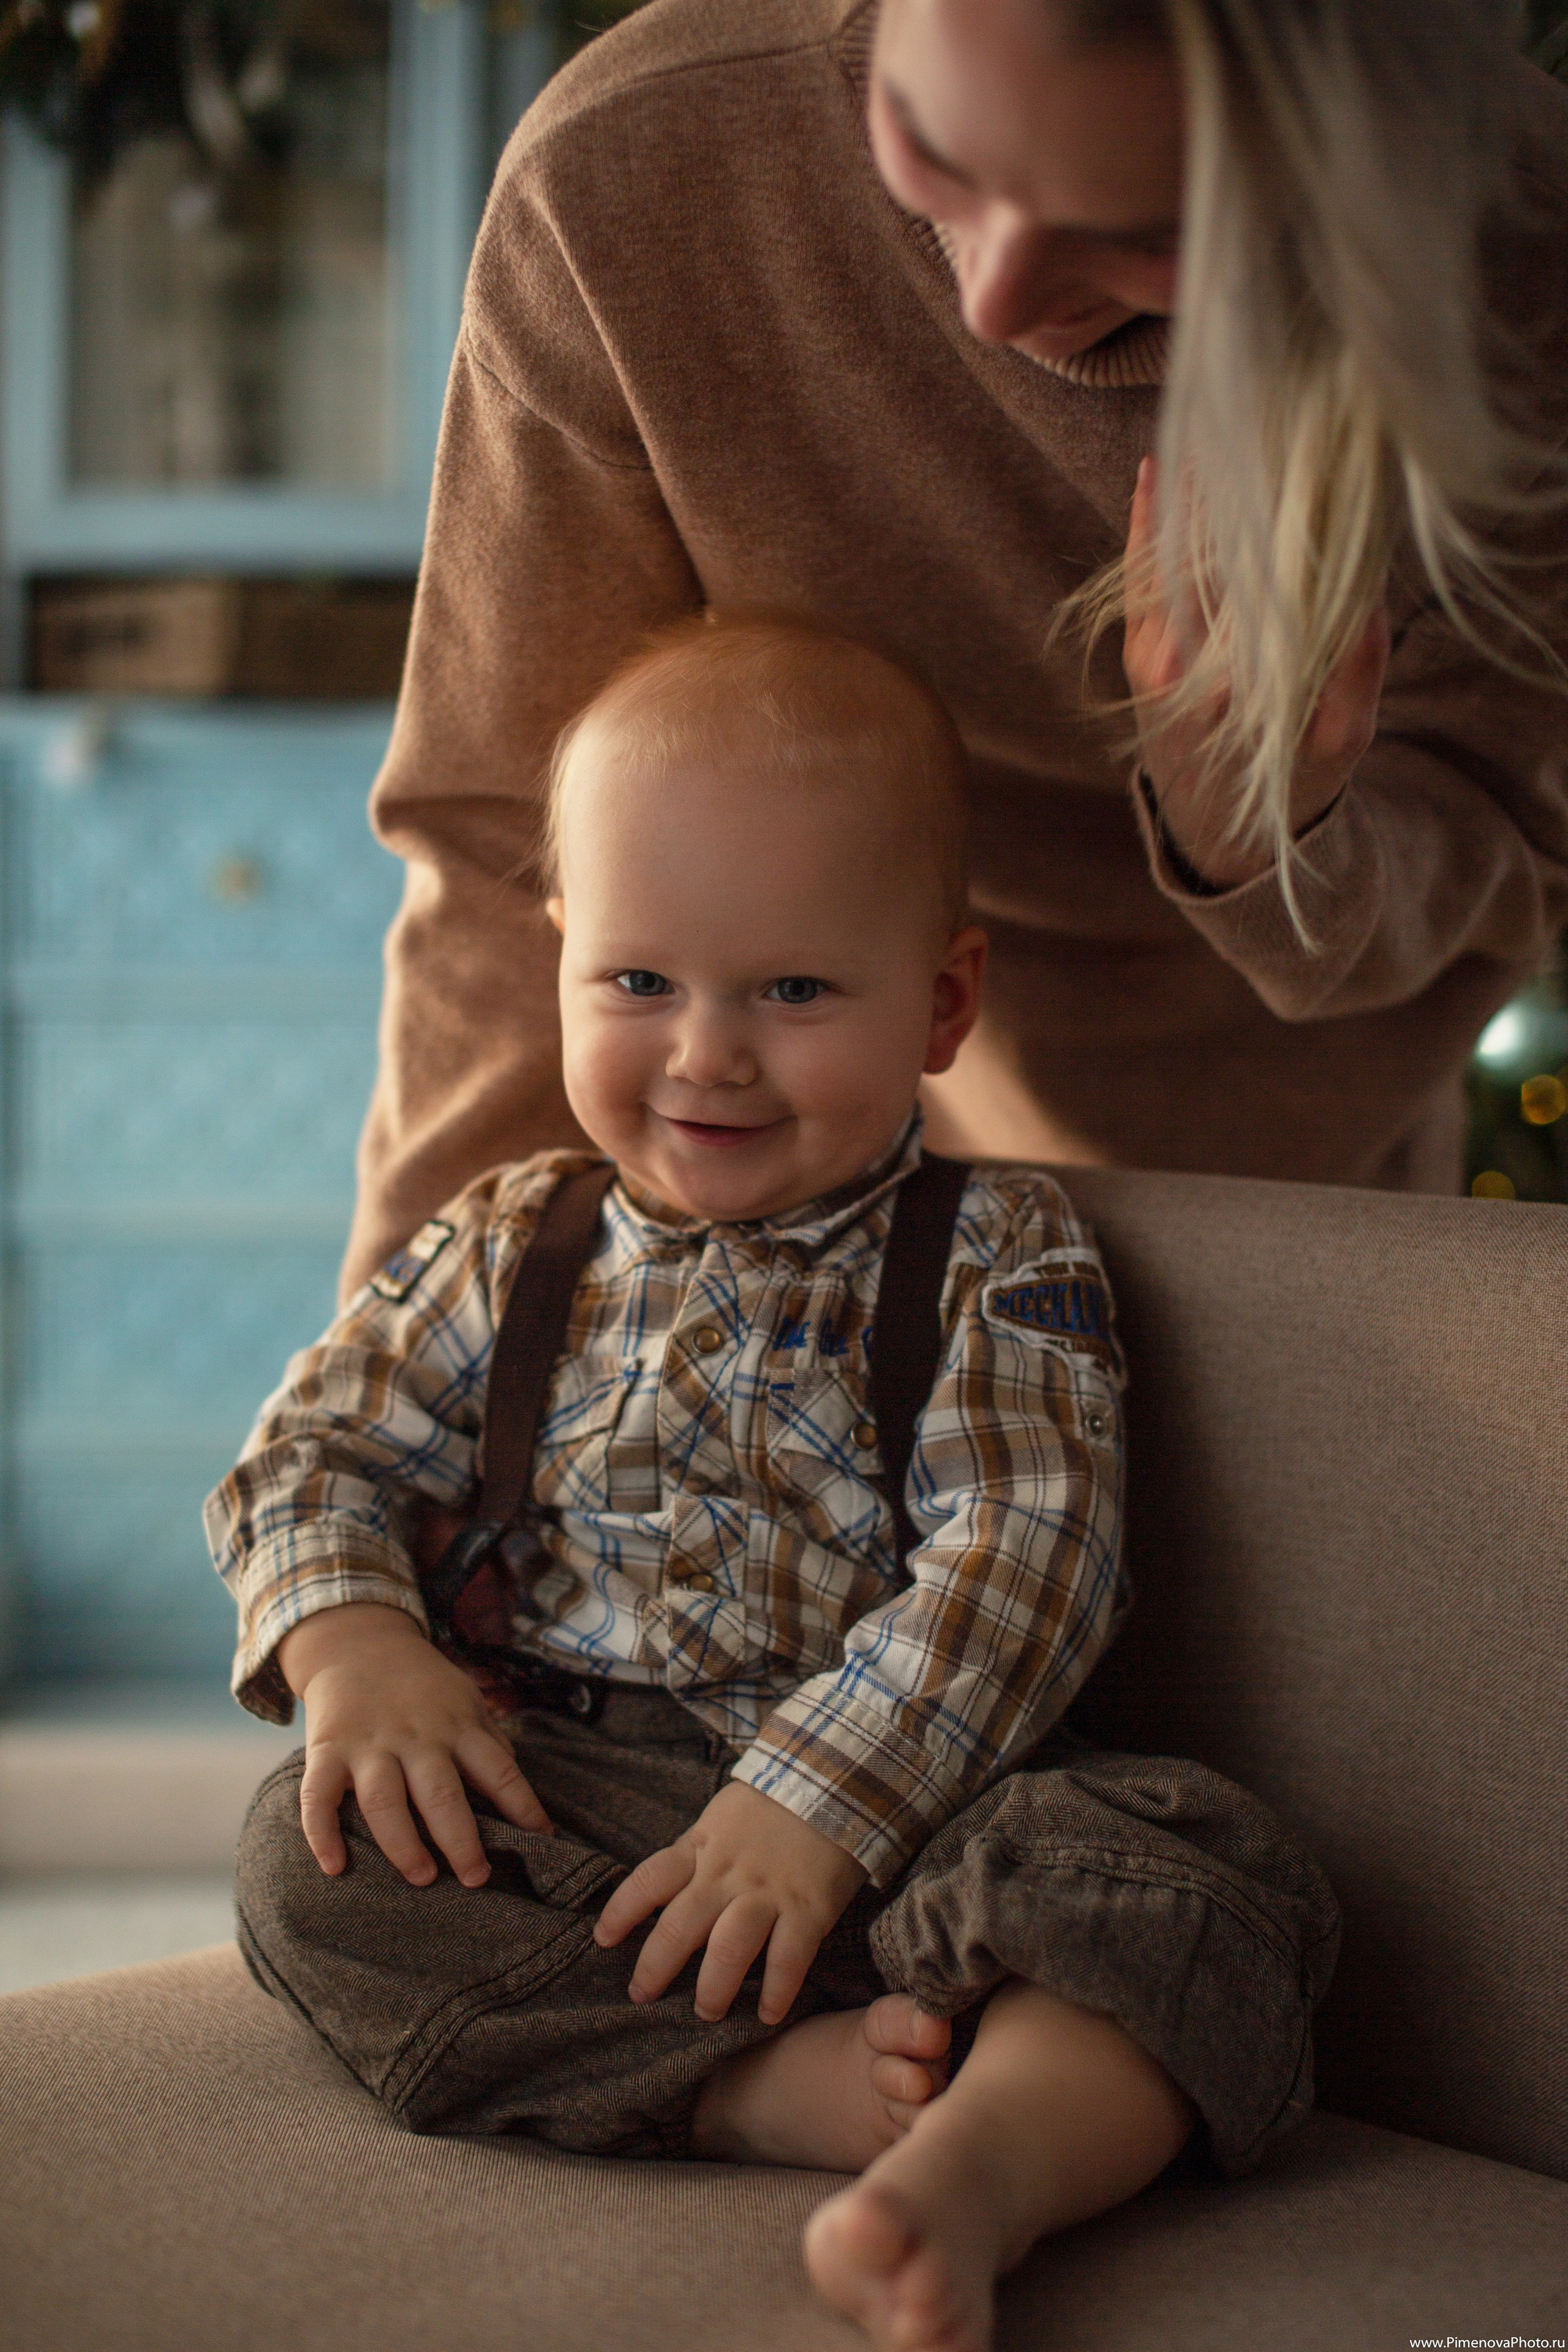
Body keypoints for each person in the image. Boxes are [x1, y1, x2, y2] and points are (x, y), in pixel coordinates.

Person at [213, 617, 1338, 2352]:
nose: (706, 1057)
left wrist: (819, 1807)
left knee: (1202, 1871)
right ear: (564, 962)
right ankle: (761, 2092)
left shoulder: (998, 1251)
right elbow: (315, 1450)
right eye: (640, 983)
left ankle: (977, 2166)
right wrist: (359, 1648)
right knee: (312, 1866)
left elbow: (1030, 1553)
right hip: (594, 1810)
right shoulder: (511, 1242)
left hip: (919, 1816)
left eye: (794, 990)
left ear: (943, 1001)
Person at [342, 0, 1568, 1299]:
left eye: (1142, 239)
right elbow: (497, 845)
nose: (989, 302)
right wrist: (409, 1344)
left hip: (1314, 1217)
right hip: (831, 1212)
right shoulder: (630, 175)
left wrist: (1257, 832)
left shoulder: (1524, 275)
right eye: (930, 152)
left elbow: (1494, 871)